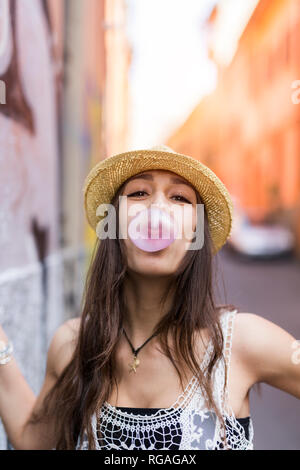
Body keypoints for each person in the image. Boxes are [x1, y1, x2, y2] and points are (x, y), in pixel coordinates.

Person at [0, 145, 299, 450]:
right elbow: (30, 442)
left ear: (196, 231)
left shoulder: (243, 341)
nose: (157, 209)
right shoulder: (73, 345)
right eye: (139, 193)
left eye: (179, 197)